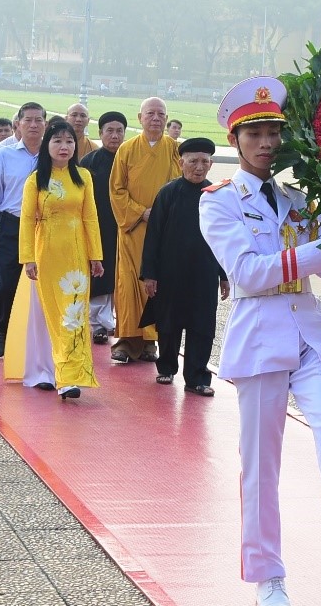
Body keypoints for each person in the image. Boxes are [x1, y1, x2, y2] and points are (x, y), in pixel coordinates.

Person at [200, 76, 321, 606]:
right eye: (255, 133)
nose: (266, 143)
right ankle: (268, 574)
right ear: (236, 141)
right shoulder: (218, 204)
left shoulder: (299, 199)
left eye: (273, 133)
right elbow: (248, 272)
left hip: (307, 330)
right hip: (260, 334)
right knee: (261, 464)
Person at [17, 119, 106, 400]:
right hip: (47, 254)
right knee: (51, 314)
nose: (64, 146)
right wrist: (28, 258)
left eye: (69, 141)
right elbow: (28, 220)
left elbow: (90, 217)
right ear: (47, 146)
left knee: (75, 315)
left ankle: (70, 377)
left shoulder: (83, 177)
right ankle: (49, 371)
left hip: (77, 255)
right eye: (57, 141)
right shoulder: (36, 180)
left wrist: (96, 256)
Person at [141, 137, 227, 395]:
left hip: (204, 273)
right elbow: (153, 235)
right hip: (170, 272)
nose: (198, 167)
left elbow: (226, 239)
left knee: (202, 326)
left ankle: (197, 377)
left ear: (211, 165)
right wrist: (149, 274)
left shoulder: (217, 195)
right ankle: (166, 368)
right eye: (193, 161)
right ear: (181, 163)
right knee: (169, 324)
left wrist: (225, 275)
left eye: (204, 162)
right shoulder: (167, 193)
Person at [108, 96, 181, 364]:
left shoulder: (174, 149)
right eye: (150, 113)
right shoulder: (126, 150)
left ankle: (151, 341)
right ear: (140, 118)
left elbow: (182, 187)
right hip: (134, 229)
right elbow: (116, 190)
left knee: (157, 283)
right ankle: (127, 340)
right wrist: (141, 212)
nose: (156, 118)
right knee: (129, 283)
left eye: (161, 114)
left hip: (164, 231)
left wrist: (165, 215)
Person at [0, 102, 47, 358]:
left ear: (45, 124)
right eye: (28, 120)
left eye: (38, 120)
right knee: (5, 283)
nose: (33, 125)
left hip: (45, 227)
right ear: (18, 124)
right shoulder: (5, 154)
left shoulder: (53, 156)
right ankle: (3, 329)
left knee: (41, 283)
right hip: (12, 224)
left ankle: (36, 339)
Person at [80, 111, 127, 344]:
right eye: (110, 130)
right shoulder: (89, 162)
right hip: (97, 227)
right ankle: (98, 324)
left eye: (119, 131)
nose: (115, 135)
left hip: (126, 226)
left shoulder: (130, 159)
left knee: (122, 276)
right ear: (100, 133)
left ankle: (121, 324)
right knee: (100, 275)